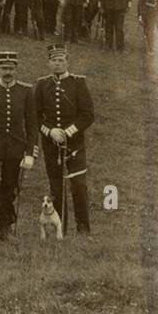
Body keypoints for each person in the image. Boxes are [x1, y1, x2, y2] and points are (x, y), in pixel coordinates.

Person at [34, 44, 94, 234]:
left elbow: (87, 115)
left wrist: (68, 132)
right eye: (54, 60)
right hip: (51, 145)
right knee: (56, 186)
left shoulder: (78, 83)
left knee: (79, 185)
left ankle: (83, 228)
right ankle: (61, 229)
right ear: (48, 63)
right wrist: (49, 131)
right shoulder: (42, 85)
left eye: (61, 60)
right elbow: (35, 116)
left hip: (74, 145)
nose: (58, 64)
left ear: (67, 62)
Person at [0, 51, 37, 241]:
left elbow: (32, 124)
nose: (7, 72)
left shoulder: (26, 91)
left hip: (15, 148)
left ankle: (4, 228)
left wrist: (29, 152)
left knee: (9, 188)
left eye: (11, 68)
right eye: (4, 68)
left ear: (16, 69)